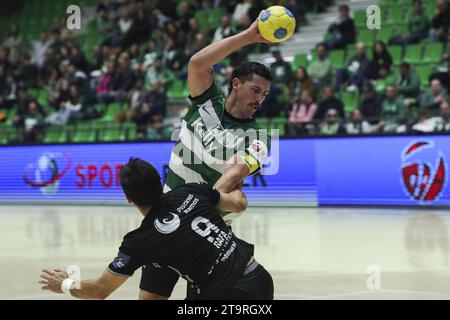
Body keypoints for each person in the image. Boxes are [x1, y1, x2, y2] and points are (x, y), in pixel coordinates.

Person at [140, 19, 273, 300]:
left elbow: (236, 172)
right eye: (255, 90)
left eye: (265, 94)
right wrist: (248, 36)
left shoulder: (258, 135)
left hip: (208, 231)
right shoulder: (207, 102)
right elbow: (197, 63)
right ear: (236, 84)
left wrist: (195, 207)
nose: (260, 99)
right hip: (165, 220)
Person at [39, 158, 274, 300]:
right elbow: (239, 203)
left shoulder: (141, 240)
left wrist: (64, 284)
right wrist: (236, 176)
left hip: (227, 294)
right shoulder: (191, 191)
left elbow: (99, 291)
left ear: (128, 198)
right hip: (260, 278)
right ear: (160, 183)